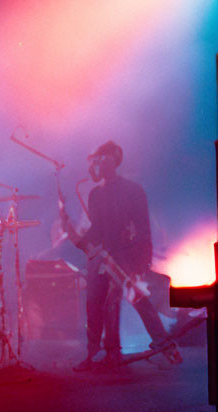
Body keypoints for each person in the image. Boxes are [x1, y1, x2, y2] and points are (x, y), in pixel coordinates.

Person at [59, 141, 180, 370]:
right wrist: (75, 233)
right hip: (101, 257)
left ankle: (162, 345)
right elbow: (96, 230)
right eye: (97, 159)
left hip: (125, 255)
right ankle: (96, 354)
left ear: (115, 160)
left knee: (132, 300)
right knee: (94, 304)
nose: (98, 163)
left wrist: (143, 259)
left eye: (104, 158)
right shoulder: (95, 194)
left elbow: (143, 228)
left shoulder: (133, 190)